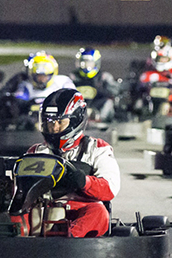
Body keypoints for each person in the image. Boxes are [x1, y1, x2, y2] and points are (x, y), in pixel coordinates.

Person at [21, 88, 121, 237]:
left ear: (75, 120)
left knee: (98, 213)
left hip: (79, 210)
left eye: (60, 122)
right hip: (42, 209)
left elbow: (110, 188)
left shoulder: (96, 149)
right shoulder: (36, 152)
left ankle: (65, 241)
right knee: (15, 215)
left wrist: (84, 182)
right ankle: (10, 240)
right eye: (49, 122)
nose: (54, 128)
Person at [71, 47, 121, 123]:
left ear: (96, 63)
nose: (85, 65)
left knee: (109, 102)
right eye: (83, 62)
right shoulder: (73, 77)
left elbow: (115, 92)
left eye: (89, 62)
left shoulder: (103, 77)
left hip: (97, 109)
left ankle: (98, 121)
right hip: (78, 109)